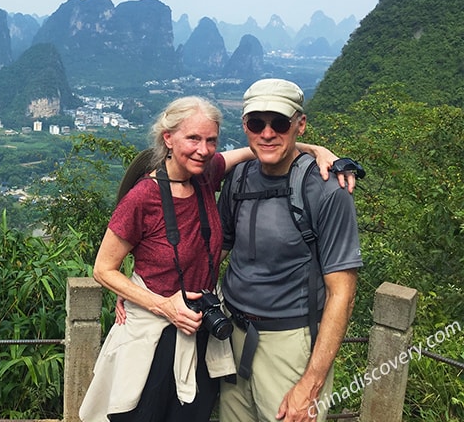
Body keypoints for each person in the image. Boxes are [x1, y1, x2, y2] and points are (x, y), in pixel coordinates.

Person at [78, 95, 350, 422]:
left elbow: (263, 147)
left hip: (203, 331)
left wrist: (317, 150)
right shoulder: (143, 197)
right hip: (153, 335)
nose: (203, 149)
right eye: (192, 138)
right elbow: (103, 268)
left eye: (211, 141)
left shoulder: (207, 175)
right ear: (168, 138)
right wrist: (154, 301)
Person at [218, 79, 362, 422]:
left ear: (300, 124)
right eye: (257, 123)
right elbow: (215, 252)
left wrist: (310, 383)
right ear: (245, 127)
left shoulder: (328, 191)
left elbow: (342, 293)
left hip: (290, 344)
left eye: (279, 123)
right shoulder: (237, 179)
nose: (267, 133)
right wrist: (147, 292)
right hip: (230, 336)